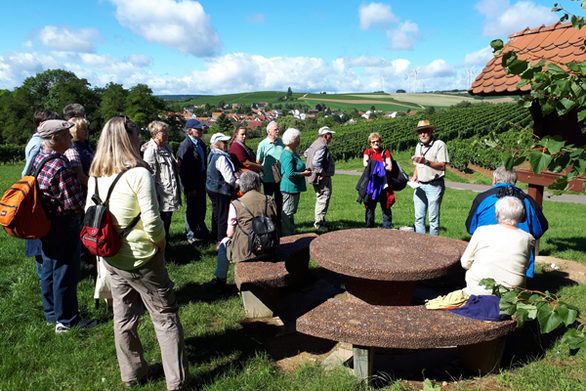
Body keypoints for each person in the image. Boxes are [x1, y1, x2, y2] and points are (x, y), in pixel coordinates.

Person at [87, 116, 190, 390]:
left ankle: (132, 372)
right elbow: (153, 221)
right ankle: (177, 382)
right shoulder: (138, 173)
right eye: (136, 135)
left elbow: (90, 214)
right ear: (129, 138)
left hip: (112, 256)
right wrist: (161, 245)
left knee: (123, 317)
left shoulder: (96, 174)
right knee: (165, 316)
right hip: (142, 256)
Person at [32, 119, 95, 333]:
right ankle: (67, 319)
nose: (71, 137)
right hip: (64, 224)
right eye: (66, 134)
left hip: (47, 223)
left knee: (50, 269)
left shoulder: (40, 158)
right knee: (66, 272)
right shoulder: (59, 164)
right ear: (54, 138)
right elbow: (74, 203)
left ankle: (52, 314)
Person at [465, 166, 548, 278]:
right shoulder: (528, 201)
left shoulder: (482, 198)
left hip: (485, 263)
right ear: (515, 181)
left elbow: (471, 228)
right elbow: (539, 230)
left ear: (494, 180)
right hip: (520, 268)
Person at [211, 171, 278, 286]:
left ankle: (220, 279)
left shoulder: (235, 204)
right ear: (257, 185)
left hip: (246, 251)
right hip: (269, 246)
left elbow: (230, 233)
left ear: (242, 186)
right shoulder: (269, 200)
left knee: (224, 243)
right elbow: (275, 221)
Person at [461, 196, 535, 296]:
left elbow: (465, 262)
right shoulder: (528, 239)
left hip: (477, 291)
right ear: (521, 216)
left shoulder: (481, 231)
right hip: (511, 295)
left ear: (497, 214)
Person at [142, 121, 181, 244]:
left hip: (170, 189)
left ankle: (165, 242)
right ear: (155, 134)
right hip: (160, 191)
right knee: (162, 219)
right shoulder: (150, 150)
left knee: (168, 217)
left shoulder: (166, 146)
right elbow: (150, 174)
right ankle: (161, 244)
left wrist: (175, 164)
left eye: (166, 131)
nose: (167, 134)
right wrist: (153, 194)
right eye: (163, 132)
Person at [410, 120, 449, 235]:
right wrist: (415, 176)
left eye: (425, 132)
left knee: (433, 220)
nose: (422, 135)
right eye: (420, 132)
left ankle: (433, 248)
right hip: (420, 185)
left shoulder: (439, 145)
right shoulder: (419, 145)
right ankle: (421, 246)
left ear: (431, 131)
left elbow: (442, 166)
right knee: (418, 218)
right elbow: (417, 164)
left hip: (434, 185)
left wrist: (426, 162)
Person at [177, 118, 210, 244]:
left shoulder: (200, 143)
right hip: (191, 182)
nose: (201, 130)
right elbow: (184, 170)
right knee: (191, 208)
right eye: (198, 129)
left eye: (201, 128)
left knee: (201, 207)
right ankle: (191, 234)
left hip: (200, 180)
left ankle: (200, 230)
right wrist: (190, 188)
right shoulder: (185, 146)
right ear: (190, 131)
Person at [206, 133, 238, 247]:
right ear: (217, 144)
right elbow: (229, 178)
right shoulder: (221, 157)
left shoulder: (212, 154)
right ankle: (221, 240)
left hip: (212, 188)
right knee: (222, 216)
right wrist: (237, 182)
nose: (226, 144)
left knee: (216, 213)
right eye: (224, 142)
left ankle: (214, 236)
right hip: (220, 190)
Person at [280, 128, 312, 236]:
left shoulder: (292, 153)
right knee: (287, 214)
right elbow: (290, 174)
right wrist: (304, 174)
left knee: (290, 213)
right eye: (298, 138)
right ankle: (286, 235)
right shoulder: (287, 155)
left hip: (293, 188)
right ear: (292, 139)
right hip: (289, 189)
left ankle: (290, 232)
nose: (299, 140)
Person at [361, 132, 395, 228]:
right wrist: (382, 165)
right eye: (373, 142)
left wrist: (374, 165)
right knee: (370, 207)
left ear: (380, 141)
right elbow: (365, 164)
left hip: (384, 184)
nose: (376, 143)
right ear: (370, 143)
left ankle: (387, 229)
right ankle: (369, 229)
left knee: (386, 207)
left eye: (377, 141)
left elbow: (390, 167)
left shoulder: (385, 152)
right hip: (372, 185)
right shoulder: (367, 152)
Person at [305, 126, 336, 231]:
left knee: (320, 198)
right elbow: (316, 161)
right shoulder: (322, 145)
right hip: (321, 178)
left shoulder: (315, 143)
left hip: (314, 177)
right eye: (330, 135)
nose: (331, 138)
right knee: (323, 198)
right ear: (326, 135)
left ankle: (320, 221)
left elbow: (306, 154)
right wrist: (321, 172)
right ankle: (319, 224)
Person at [256, 121, 285, 223]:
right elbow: (258, 161)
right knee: (268, 201)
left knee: (279, 201)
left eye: (278, 129)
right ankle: (268, 222)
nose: (278, 131)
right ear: (269, 131)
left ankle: (278, 221)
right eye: (275, 129)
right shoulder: (263, 144)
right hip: (268, 178)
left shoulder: (282, 142)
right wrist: (261, 175)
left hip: (280, 178)